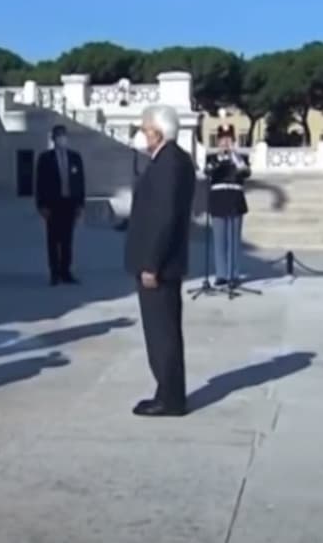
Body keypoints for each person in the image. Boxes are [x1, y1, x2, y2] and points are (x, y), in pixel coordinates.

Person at [124, 105, 196, 417]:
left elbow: (165, 217)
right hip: (159, 262)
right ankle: (166, 390)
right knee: (162, 331)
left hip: (159, 266)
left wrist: (151, 263)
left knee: (162, 333)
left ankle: (170, 399)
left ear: (157, 132)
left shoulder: (170, 162)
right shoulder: (169, 160)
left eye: (144, 129)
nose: (142, 134)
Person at [35, 124, 86, 285]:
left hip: (69, 203)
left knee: (67, 239)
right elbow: (39, 183)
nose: (62, 139)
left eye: (64, 135)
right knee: (53, 239)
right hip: (52, 205)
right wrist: (41, 205)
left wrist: (80, 204)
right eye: (58, 136)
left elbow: (80, 182)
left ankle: (66, 271)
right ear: (53, 138)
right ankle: (54, 272)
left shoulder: (75, 157)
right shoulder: (45, 158)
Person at [204, 124, 250, 286]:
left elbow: (245, 172)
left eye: (228, 139)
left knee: (233, 240)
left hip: (235, 199)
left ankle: (233, 274)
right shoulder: (212, 158)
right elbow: (208, 172)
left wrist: (234, 155)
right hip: (218, 199)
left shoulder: (240, 158)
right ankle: (221, 274)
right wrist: (219, 157)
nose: (225, 142)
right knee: (219, 239)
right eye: (222, 139)